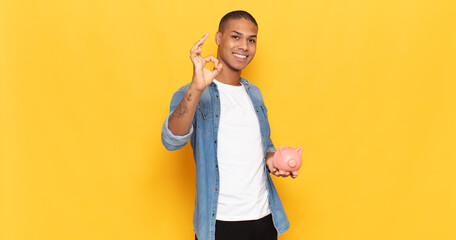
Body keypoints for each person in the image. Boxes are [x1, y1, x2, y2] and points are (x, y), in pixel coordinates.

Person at [161, 10, 296, 240]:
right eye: (236, 37)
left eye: (251, 40)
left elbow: (264, 145)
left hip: (264, 219)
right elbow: (171, 140)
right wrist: (197, 87)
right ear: (218, 38)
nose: (244, 46)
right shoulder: (192, 93)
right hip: (220, 223)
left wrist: (272, 158)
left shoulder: (254, 94)